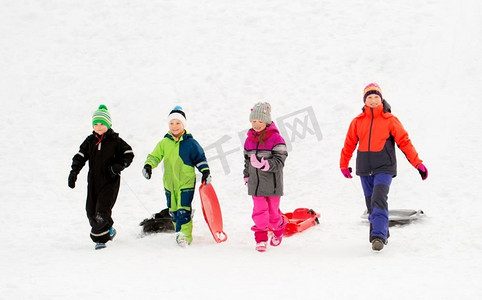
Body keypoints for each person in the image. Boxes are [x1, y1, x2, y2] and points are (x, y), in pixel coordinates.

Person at [340, 83, 428, 251]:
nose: (373, 101)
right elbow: (349, 144)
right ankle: (382, 231)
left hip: (384, 167)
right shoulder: (357, 122)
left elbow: (404, 142)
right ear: (365, 100)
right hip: (365, 168)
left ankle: (377, 237)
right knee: (371, 204)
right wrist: (344, 164)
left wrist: (418, 163)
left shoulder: (390, 120)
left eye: (376, 97)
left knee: (378, 198)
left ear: (381, 99)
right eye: (370, 97)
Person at [142, 106, 210, 247]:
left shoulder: (190, 143)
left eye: (178, 123)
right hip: (169, 183)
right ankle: (178, 228)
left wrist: (205, 171)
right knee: (173, 210)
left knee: (183, 209)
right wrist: (149, 165)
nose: (174, 126)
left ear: (183, 125)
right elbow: (155, 156)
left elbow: (200, 158)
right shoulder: (164, 143)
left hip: (186, 182)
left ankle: (184, 235)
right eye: (171, 123)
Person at [68, 104, 134, 250]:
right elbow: (80, 157)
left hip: (110, 182)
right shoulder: (90, 141)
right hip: (93, 182)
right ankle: (109, 229)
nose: (98, 127)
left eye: (102, 124)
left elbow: (129, 153)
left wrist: (118, 166)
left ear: (108, 124)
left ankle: (100, 239)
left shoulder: (115, 141)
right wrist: (74, 172)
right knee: (90, 210)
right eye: (95, 124)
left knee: (101, 211)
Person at [243, 102, 288, 252]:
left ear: (267, 121)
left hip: (273, 185)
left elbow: (280, 160)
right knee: (259, 211)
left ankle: (279, 227)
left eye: (260, 121)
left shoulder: (276, 139)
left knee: (273, 214)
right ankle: (261, 239)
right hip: (255, 185)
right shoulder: (249, 140)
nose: (256, 125)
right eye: (253, 121)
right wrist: (247, 175)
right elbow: (247, 161)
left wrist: (264, 164)